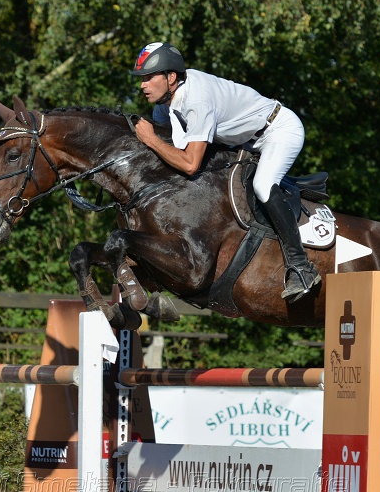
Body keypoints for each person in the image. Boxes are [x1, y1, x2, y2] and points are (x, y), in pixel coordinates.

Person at [130, 41, 321, 303]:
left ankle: (301, 268)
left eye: (149, 78)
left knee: (263, 186)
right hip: (245, 142)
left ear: (171, 77)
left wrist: (151, 140)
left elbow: (189, 164)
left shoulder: (197, 100)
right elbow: (167, 145)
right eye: (142, 79)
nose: (143, 85)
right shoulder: (166, 104)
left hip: (278, 130)